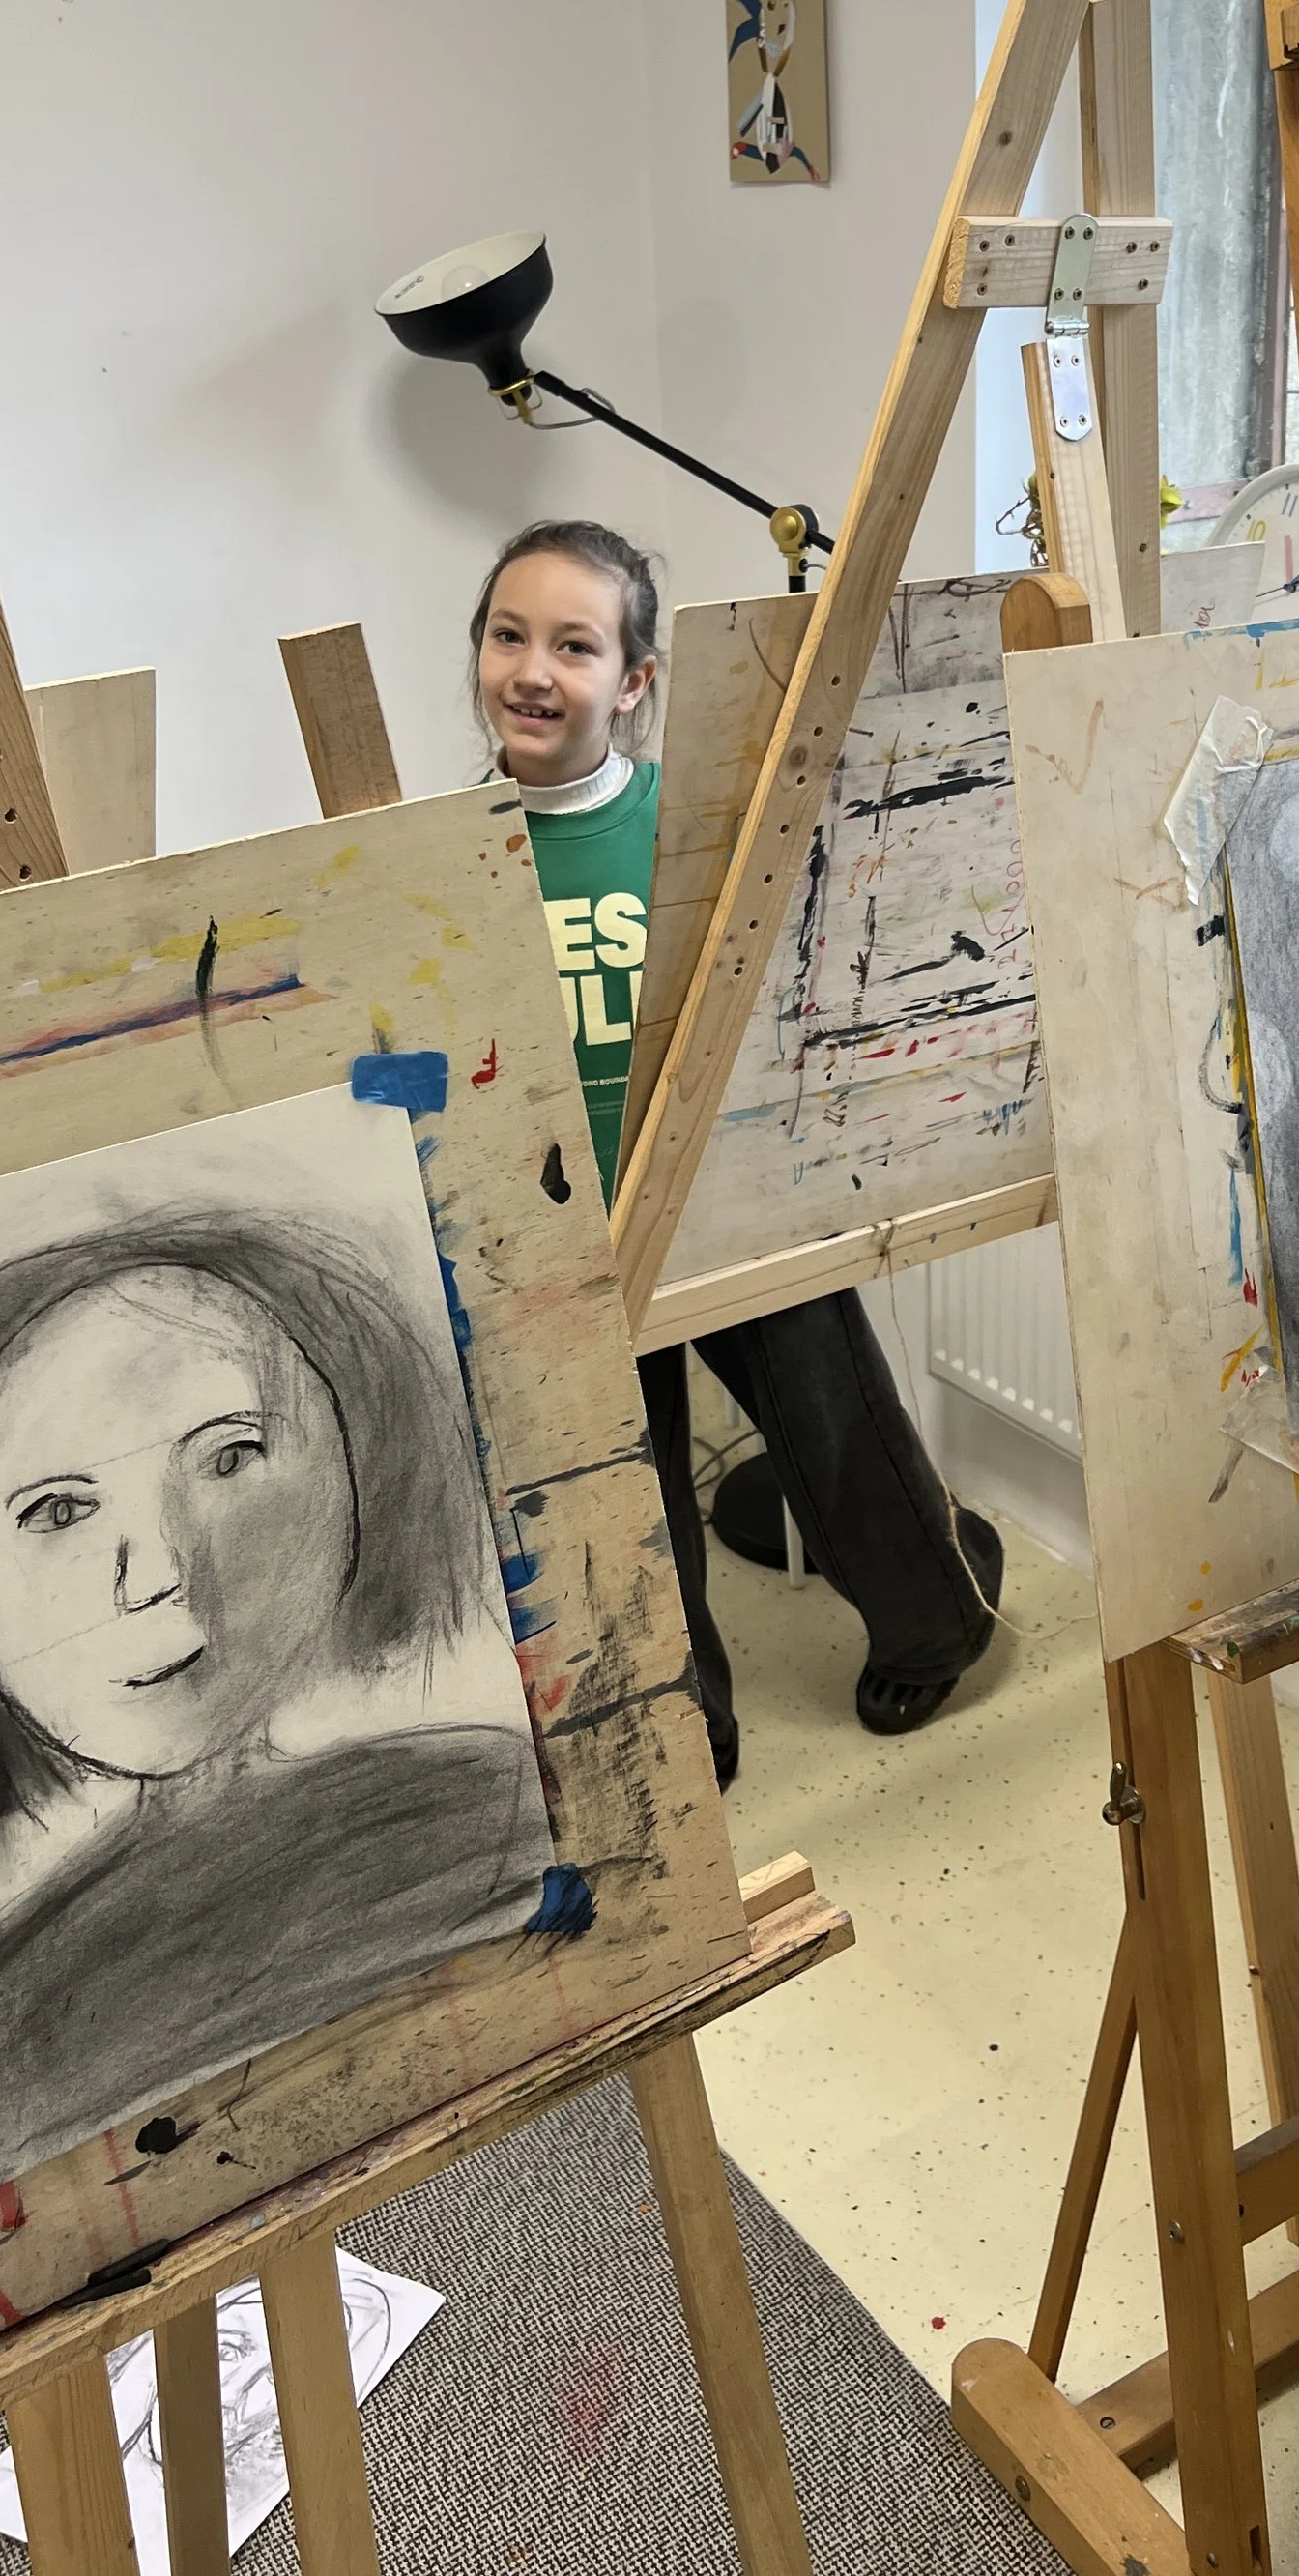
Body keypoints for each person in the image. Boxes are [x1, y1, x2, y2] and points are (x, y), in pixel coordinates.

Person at [0, 1222, 550, 2207]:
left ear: (355, 1463)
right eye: (60, 1512)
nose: (160, 1576)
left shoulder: (510, 1815)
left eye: (232, 1456)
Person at [470, 518, 1001, 1788]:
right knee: (630, 1491)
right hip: (566, 1239)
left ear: (636, 683)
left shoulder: (682, 824)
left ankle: (939, 1620)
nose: (534, 669)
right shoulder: (460, 848)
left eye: (576, 645)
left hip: (723, 1197)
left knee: (840, 1428)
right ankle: (686, 1723)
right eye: (507, 635)